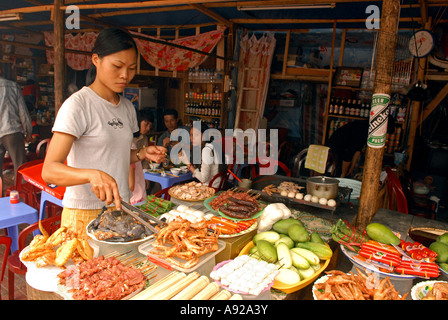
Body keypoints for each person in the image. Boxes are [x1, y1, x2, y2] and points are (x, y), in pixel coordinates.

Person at [42, 28, 166, 235]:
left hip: (120, 208)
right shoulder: (78, 105)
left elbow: (114, 155)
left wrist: (142, 154)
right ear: (96, 60)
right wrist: (92, 175)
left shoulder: (126, 107)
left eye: (132, 68)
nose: (125, 75)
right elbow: (50, 170)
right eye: (117, 66)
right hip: (84, 212)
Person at [326, 118, 395, 178]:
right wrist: (343, 174)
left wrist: (351, 169)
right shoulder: (363, 129)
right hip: (335, 148)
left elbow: (358, 150)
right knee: (339, 173)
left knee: (346, 172)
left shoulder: (368, 129)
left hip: (345, 149)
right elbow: (348, 154)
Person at [0, 73, 32, 186]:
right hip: (12, 131)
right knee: (20, 167)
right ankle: (21, 197)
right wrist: (28, 131)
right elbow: (23, 111)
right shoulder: (13, 86)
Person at [179, 121, 222, 188]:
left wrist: (187, 163)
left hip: (211, 188)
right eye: (191, 135)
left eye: (196, 135)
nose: (192, 138)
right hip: (213, 185)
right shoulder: (210, 145)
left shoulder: (206, 150)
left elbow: (203, 179)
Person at [129, 109, 154, 204]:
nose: (147, 128)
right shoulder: (130, 141)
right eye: (146, 124)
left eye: (150, 126)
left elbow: (145, 161)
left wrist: (145, 176)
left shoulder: (143, 139)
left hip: (137, 184)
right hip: (136, 187)